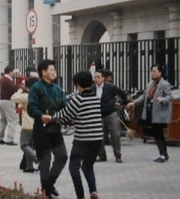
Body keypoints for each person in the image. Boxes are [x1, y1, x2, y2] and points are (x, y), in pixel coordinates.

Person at [43, 71, 103, 199]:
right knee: (88, 166)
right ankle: (93, 191)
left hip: (82, 139)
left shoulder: (78, 99)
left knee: (74, 167)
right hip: (97, 139)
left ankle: (80, 196)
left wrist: (51, 118)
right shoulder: (96, 98)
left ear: (77, 85)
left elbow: (65, 115)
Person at [27, 59, 68, 198]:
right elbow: (31, 107)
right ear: (43, 72)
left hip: (55, 129)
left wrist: (70, 116)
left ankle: (49, 184)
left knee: (62, 156)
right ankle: (46, 191)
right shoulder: (36, 88)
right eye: (51, 70)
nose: (54, 72)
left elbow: (65, 106)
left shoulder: (57, 89)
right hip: (41, 129)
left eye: (54, 70)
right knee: (45, 161)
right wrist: (40, 116)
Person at [126, 64, 172, 163]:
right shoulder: (151, 83)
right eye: (152, 71)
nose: (153, 73)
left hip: (159, 112)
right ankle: (163, 153)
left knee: (158, 133)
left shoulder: (165, 84)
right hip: (150, 111)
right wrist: (134, 102)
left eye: (155, 71)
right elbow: (144, 96)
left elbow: (169, 97)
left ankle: (163, 154)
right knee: (156, 133)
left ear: (160, 72)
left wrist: (162, 99)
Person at [91, 70, 128, 163]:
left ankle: (118, 154)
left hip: (110, 113)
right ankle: (101, 155)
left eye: (98, 77)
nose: (96, 79)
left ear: (103, 78)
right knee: (98, 135)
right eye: (95, 77)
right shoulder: (92, 89)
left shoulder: (110, 87)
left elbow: (123, 93)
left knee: (115, 134)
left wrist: (121, 103)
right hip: (98, 114)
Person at [11, 77, 39, 173]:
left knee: (24, 145)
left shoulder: (26, 96)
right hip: (37, 124)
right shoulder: (39, 95)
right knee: (30, 145)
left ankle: (37, 159)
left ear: (27, 87)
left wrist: (19, 91)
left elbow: (13, 98)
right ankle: (29, 166)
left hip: (27, 125)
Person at [0, 66, 21, 146]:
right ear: (10, 72)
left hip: (2, 101)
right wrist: (22, 86)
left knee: (3, 120)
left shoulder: (3, 79)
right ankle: (9, 139)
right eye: (13, 72)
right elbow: (14, 87)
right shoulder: (7, 80)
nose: (13, 74)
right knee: (12, 120)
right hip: (8, 101)